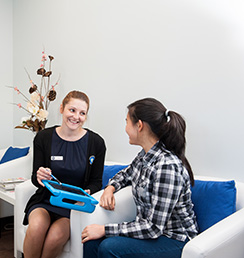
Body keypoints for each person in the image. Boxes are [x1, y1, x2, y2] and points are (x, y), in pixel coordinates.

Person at [82, 98, 198, 258]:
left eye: (127, 122)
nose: (125, 128)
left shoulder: (167, 167)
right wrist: (110, 188)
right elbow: (125, 174)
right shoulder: (145, 156)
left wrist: (105, 229)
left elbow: (153, 228)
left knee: (109, 247)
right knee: (90, 241)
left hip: (175, 240)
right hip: (152, 233)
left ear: (140, 125)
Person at [22, 90, 106, 258]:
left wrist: (88, 191)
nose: (76, 117)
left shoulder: (96, 143)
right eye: (72, 110)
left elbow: (97, 181)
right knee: (37, 227)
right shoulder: (43, 137)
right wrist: (40, 176)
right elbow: (34, 177)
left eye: (82, 113)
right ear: (62, 108)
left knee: (55, 237)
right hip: (45, 200)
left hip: (72, 208)